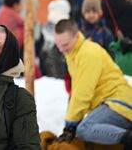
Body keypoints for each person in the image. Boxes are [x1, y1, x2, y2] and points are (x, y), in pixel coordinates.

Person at [53, 19, 132, 147]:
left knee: (85, 129)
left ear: (76, 36)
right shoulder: (72, 54)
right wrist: (71, 122)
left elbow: (83, 92)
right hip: (109, 103)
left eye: (65, 45)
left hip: (120, 102)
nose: (62, 50)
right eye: (58, 46)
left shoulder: (88, 53)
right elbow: (76, 91)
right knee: (85, 130)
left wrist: (71, 124)